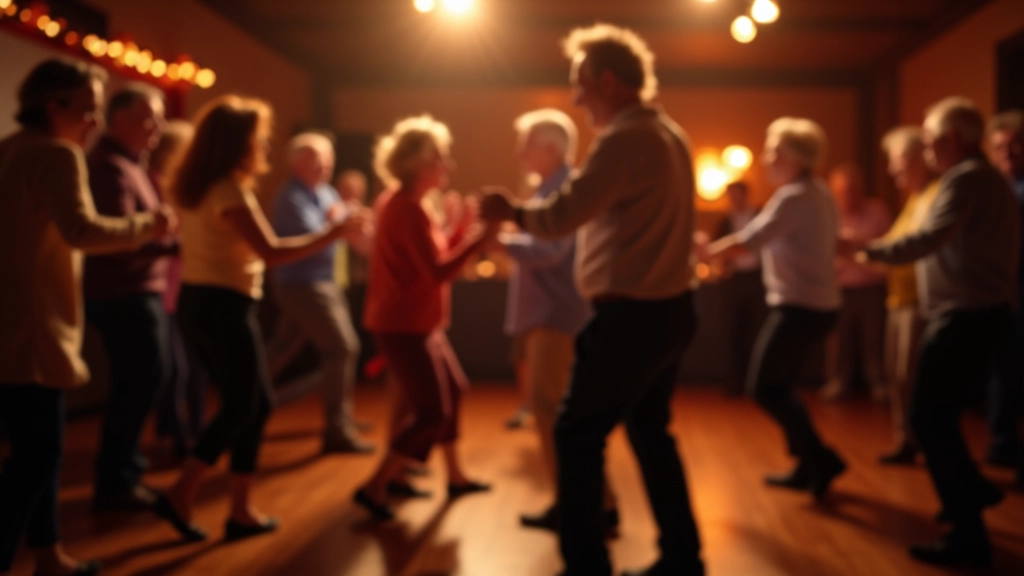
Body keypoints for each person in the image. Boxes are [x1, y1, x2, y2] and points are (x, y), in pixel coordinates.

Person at [481, 24, 703, 576]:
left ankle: (586, 565)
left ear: (607, 81)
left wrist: (509, 211)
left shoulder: (627, 137)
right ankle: (683, 558)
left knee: (574, 433)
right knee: (650, 433)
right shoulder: (669, 133)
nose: (577, 100)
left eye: (580, 85)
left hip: (633, 313)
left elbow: (562, 216)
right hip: (670, 309)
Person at [153, 96, 363, 542]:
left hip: (207, 302)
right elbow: (271, 252)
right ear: (238, 143)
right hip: (221, 305)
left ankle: (235, 508)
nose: (265, 144)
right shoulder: (229, 190)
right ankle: (184, 493)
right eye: (258, 137)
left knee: (254, 403)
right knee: (244, 405)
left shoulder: (200, 184)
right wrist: (334, 233)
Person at [0, 58, 174, 576]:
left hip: (9, 320)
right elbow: (82, 231)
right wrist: (151, 225)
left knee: (39, 453)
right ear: (52, 107)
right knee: (35, 458)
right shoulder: (58, 153)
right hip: (36, 325)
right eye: (87, 110)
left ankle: (49, 556)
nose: (93, 123)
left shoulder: (8, 150)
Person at [856, 97, 1019, 567]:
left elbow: (927, 240)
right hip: (978, 313)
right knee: (936, 416)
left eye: (928, 140)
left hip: (964, 315)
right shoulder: (987, 181)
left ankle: (969, 531)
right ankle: (970, 497)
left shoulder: (965, 179)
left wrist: (866, 251)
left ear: (951, 140)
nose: (926, 149)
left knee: (928, 417)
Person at [353, 115, 495, 521]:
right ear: (418, 162)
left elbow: (431, 259)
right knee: (432, 410)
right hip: (403, 324)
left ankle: (453, 475)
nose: (448, 166)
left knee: (454, 390)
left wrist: (462, 230)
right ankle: (374, 486)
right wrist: (475, 241)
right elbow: (435, 271)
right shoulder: (406, 208)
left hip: (418, 322)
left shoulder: (412, 204)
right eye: (441, 158)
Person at [703, 117, 845, 501]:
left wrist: (703, 253)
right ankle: (808, 462)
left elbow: (750, 241)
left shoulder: (794, 197)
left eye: (773, 152)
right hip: (816, 307)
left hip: (800, 308)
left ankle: (820, 459)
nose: (765, 159)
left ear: (795, 158)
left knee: (765, 388)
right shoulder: (817, 191)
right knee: (779, 387)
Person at [493, 108, 619, 533]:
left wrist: (500, 241)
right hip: (554, 313)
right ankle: (596, 504)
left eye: (525, 144)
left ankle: (579, 508)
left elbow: (550, 252)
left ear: (550, 149)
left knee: (551, 412)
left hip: (556, 314)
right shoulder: (552, 187)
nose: (519, 153)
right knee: (563, 414)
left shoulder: (561, 189)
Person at [83, 84, 176, 510]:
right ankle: (117, 479)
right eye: (147, 117)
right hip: (124, 293)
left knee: (143, 382)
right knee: (137, 383)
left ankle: (123, 472)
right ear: (118, 119)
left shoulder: (131, 163)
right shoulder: (108, 166)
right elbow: (120, 236)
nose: (157, 126)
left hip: (139, 290)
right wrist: (171, 241)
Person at [265, 132, 373, 454]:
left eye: (327, 158)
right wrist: (337, 228)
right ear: (296, 163)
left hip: (321, 282)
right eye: (314, 158)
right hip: (302, 284)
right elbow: (309, 242)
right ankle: (336, 429)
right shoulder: (290, 198)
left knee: (281, 348)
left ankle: (242, 404)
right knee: (342, 348)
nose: (323, 164)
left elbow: (348, 233)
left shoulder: (325, 193)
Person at [876, 126, 939, 465]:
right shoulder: (914, 200)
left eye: (897, 160)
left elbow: (910, 248)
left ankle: (925, 443)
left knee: (911, 376)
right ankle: (907, 440)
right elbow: (893, 249)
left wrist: (866, 251)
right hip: (898, 300)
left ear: (918, 160)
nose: (892, 169)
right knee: (897, 377)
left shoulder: (934, 196)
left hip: (919, 301)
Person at [149, 120, 205, 459]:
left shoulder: (186, 188)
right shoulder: (154, 185)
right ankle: (173, 434)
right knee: (175, 370)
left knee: (194, 368)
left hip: (187, 287)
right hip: (163, 290)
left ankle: (192, 435)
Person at [821, 163, 891, 402]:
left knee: (874, 339)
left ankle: (878, 383)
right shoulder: (830, 215)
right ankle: (839, 380)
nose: (848, 195)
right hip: (840, 288)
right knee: (840, 340)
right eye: (842, 190)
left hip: (871, 287)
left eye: (852, 189)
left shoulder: (877, 210)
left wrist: (860, 246)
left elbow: (891, 247)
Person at [984, 110, 1024, 470]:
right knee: (1003, 371)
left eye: (1015, 144)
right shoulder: (995, 190)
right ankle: (1004, 443)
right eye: (1000, 146)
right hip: (1002, 295)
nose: (1008, 152)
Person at [713, 180, 766, 395]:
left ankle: (758, 382)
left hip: (757, 279)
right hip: (735, 281)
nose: (733, 199)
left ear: (745, 194)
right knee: (733, 331)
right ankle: (735, 381)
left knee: (758, 330)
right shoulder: (725, 221)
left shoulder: (760, 216)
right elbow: (719, 251)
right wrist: (723, 266)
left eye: (736, 194)